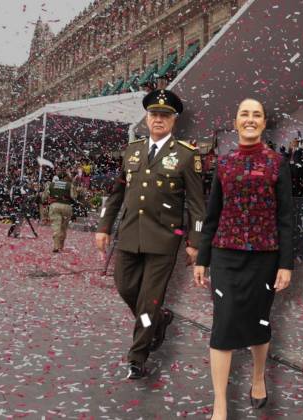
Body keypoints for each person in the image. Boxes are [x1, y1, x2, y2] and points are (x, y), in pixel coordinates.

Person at [193, 98, 294, 420]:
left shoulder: (278, 163)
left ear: (265, 123)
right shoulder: (223, 163)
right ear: (236, 122)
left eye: (256, 115)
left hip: (265, 254)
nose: (250, 120)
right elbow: (212, 215)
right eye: (244, 115)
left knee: (258, 322)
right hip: (225, 254)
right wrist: (202, 258)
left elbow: (287, 217)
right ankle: (220, 403)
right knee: (223, 324)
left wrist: (286, 263)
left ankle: (258, 376)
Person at [95, 89, 206, 380]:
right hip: (130, 235)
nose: (158, 119)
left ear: (174, 120)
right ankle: (158, 322)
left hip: (164, 240)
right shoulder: (132, 151)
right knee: (125, 287)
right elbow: (116, 193)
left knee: (148, 301)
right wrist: (104, 226)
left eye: (164, 116)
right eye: (154, 114)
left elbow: (197, 204)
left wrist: (195, 242)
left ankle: (137, 355)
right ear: (146, 117)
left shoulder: (186, 155)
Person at [43, 171, 77, 251]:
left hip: (54, 206)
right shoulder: (69, 185)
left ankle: (56, 246)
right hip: (66, 206)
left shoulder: (51, 184)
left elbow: (44, 197)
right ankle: (61, 246)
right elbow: (74, 196)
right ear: (65, 177)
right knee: (63, 227)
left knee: (56, 226)